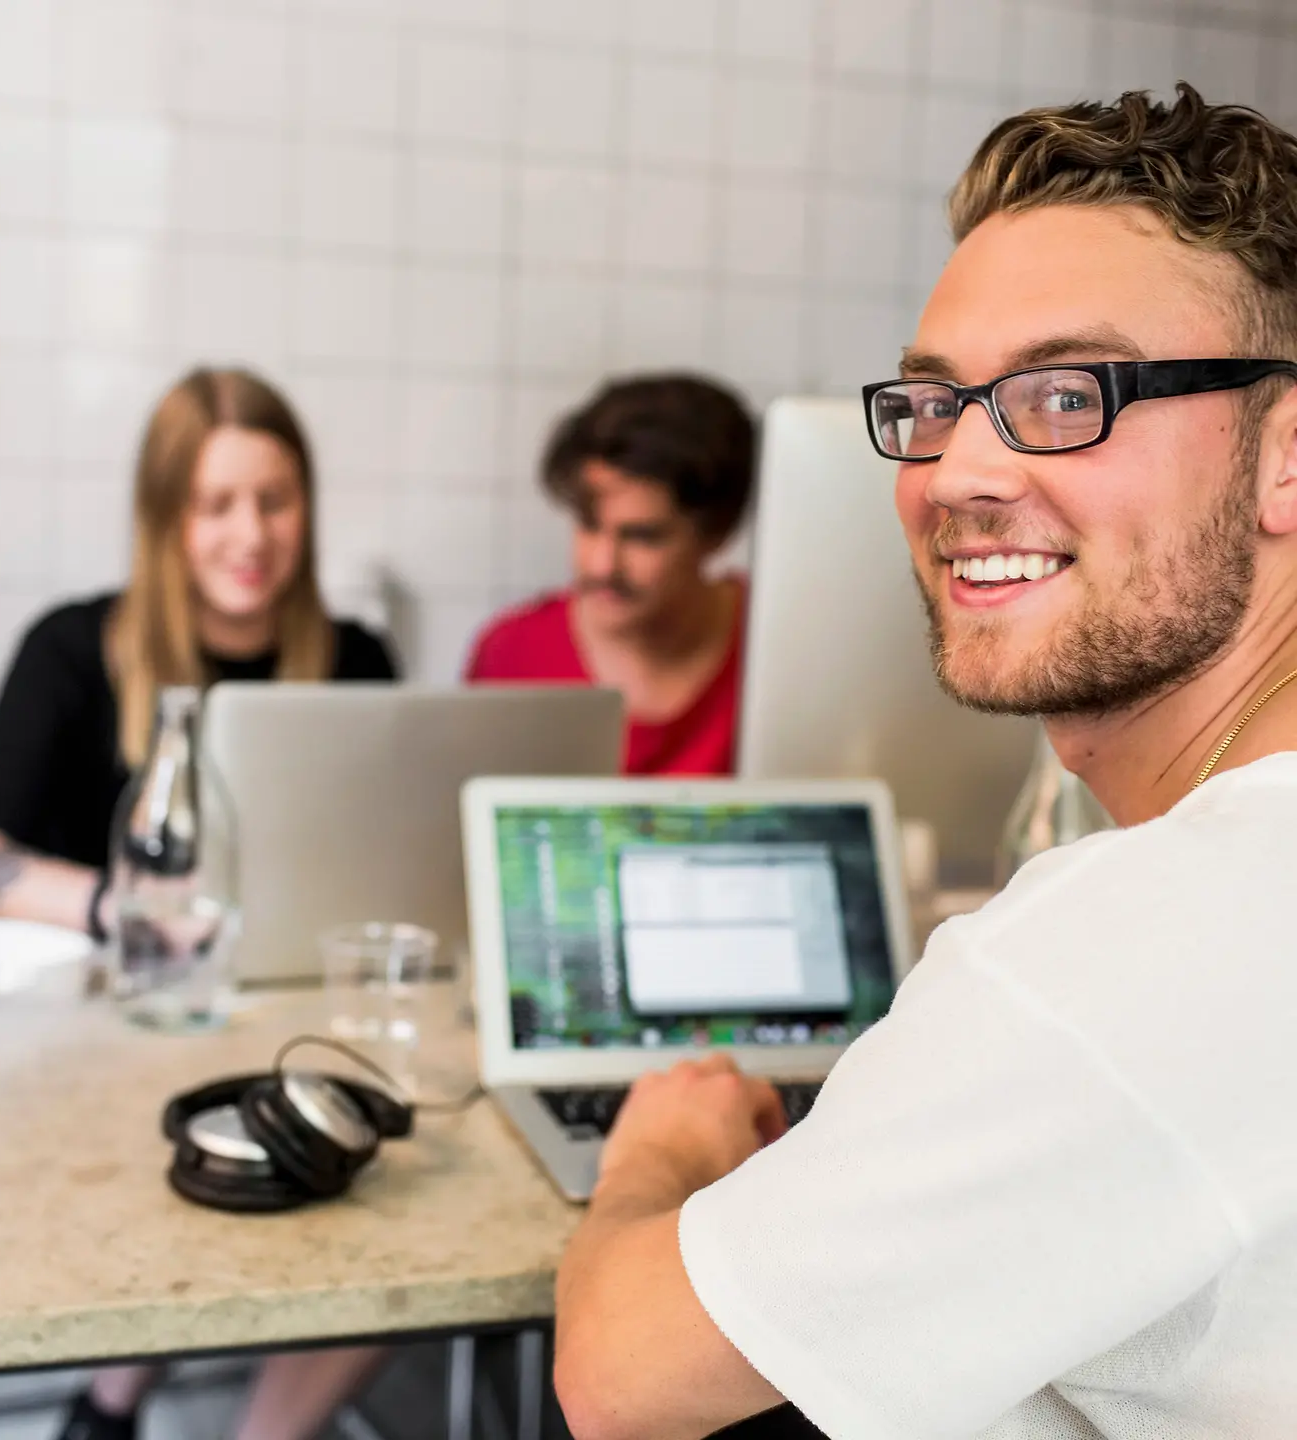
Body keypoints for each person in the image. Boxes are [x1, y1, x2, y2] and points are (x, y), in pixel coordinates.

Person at [552, 85, 1297, 1440]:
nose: (956, 470)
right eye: (936, 400)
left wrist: (655, 1156)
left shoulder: (1138, 949)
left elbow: (618, 1375)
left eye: (1070, 394)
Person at [0, 367, 397, 1440]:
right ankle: (116, 1391)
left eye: (274, 501)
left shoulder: (360, 661)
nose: (252, 533)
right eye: (216, 503)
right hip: (105, 1047)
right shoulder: (71, 651)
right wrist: (126, 907)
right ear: (165, 517)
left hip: (286, 1034)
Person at [465, 373, 755, 775]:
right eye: (588, 524)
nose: (603, 566)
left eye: (642, 537)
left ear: (716, 534)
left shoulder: (774, 644)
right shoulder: (512, 657)